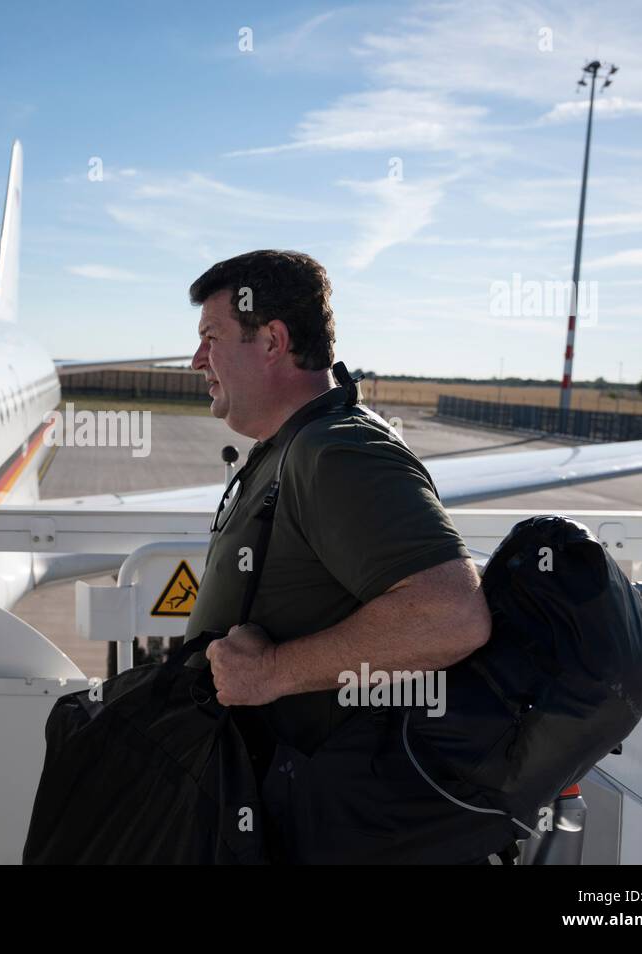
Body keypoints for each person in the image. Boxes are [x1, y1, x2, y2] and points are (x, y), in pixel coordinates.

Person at [186, 249, 499, 863]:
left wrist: (271, 670)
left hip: (317, 822)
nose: (197, 360)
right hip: (274, 807)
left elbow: (452, 614)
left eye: (211, 337)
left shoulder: (338, 451)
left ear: (273, 339)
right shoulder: (295, 443)